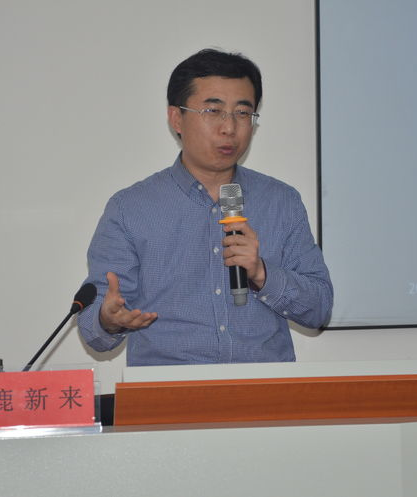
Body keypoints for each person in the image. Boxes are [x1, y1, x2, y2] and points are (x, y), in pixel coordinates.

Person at [78, 48, 332, 366]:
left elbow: (320, 308)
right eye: (213, 111)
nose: (230, 128)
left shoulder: (282, 202)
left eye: (243, 113)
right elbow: (95, 328)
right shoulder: (130, 209)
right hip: (169, 392)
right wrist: (108, 319)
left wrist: (261, 273)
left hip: (263, 391)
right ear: (176, 118)